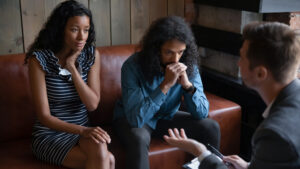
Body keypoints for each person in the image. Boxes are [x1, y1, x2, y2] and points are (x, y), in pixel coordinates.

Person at [164, 21, 300, 169]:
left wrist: (200, 152)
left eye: (241, 57)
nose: (238, 64)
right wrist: (249, 166)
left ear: (261, 73)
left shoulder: (275, 134)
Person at [113, 16, 220, 169]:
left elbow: (202, 113)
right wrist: (165, 85)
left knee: (211, 126)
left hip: (165, 117)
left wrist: (188, 86)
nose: (176, 59)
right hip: (132, 118)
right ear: (156, 49)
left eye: (180, 52)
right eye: (169, 52)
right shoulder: (132, 66)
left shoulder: (188, 65)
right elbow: (136, 119)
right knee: (138, 137)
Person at [25, 1, 114, 169]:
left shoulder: (91, 55)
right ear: (61, 30)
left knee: (102, 151)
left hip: (82, 132)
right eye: (74, 29)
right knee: (108, 160)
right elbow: (44, 116)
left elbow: (92, 104)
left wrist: (73, 69)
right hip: (50, 134)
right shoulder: (39, 60)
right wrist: (83, 131)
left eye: (86, 30)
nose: (82, 37)